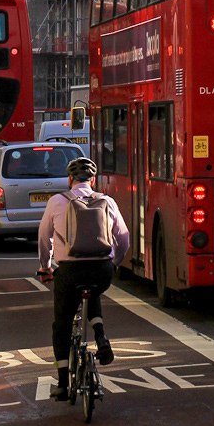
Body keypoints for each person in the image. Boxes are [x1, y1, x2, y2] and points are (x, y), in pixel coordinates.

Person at [37, 158, 130, 401]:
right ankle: (100, 335)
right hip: (101, 270)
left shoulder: (57, 201)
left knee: (62, 323)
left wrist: (46, 268)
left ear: (69, 180)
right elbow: (124, 238)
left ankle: (62, 383)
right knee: (94, 292)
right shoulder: (107, 201)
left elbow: (44, 239)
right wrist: (114, 264)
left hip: (69, 272)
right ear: (93, 181)